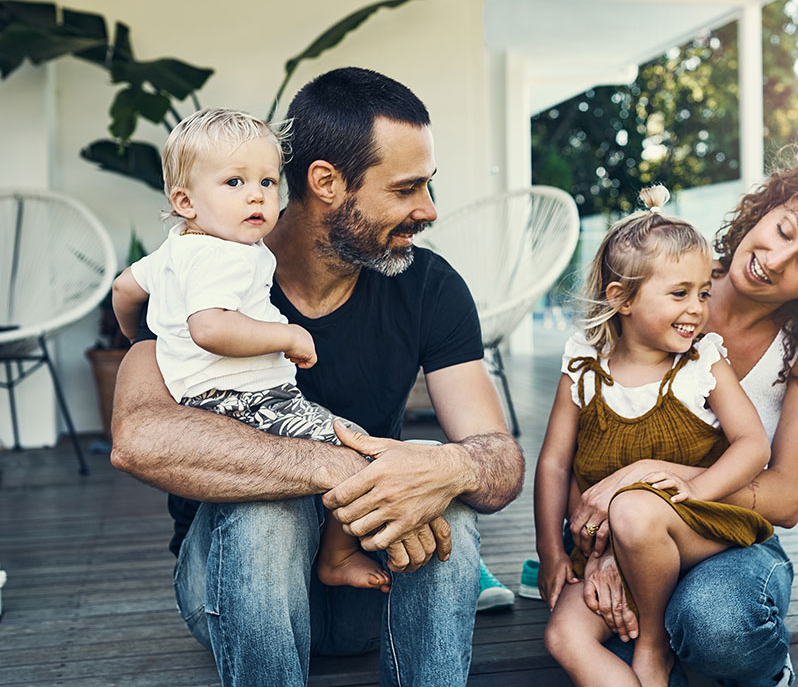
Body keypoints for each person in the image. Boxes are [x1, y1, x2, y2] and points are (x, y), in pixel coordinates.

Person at [110, 67, 526, 687]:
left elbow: (500, 460)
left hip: (370, 582)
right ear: (327, 182)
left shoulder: (429, 287)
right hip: (231, 586)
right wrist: (335, 467)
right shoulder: (197, 267)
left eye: (428, 186)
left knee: (449, 507)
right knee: (269, 510)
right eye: (407, 189)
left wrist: (449, 470)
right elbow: (139, 437)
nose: (429, 210)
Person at [565, 162, 798, 686]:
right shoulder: (660, 275)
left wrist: (653, 480)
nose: (776, 259)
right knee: (601, 622)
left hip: (734, 537)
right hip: (625, 525)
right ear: (765, 209)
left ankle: (772, 674)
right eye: (784, 230)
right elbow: (577, 441)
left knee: (716, 624)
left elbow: (788, 497)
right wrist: (602, 548)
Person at [112, 108, 389, 593]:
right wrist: (289, 336)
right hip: (249, 400)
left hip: (203, 404)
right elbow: (210, 329)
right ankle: (337, 555)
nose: (257, 194)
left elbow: (122, 289)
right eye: (234, 182)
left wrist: (142, 336)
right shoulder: (225, 255)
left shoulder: (177, 248)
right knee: (357, 448)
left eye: (267, 180)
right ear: (185, 200)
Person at [535, 186, 773, 687]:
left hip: (694, 529)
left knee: (635, 509)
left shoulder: (702, 364)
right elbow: (556, 463)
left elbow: (754, 444)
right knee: (564, 637)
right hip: (608, 545)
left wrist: (696, 491)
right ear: (620, 298)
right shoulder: (582, 366)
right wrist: (553, 553)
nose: (696, 309)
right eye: (679, 293)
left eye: (703, 292)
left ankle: (653, 644)